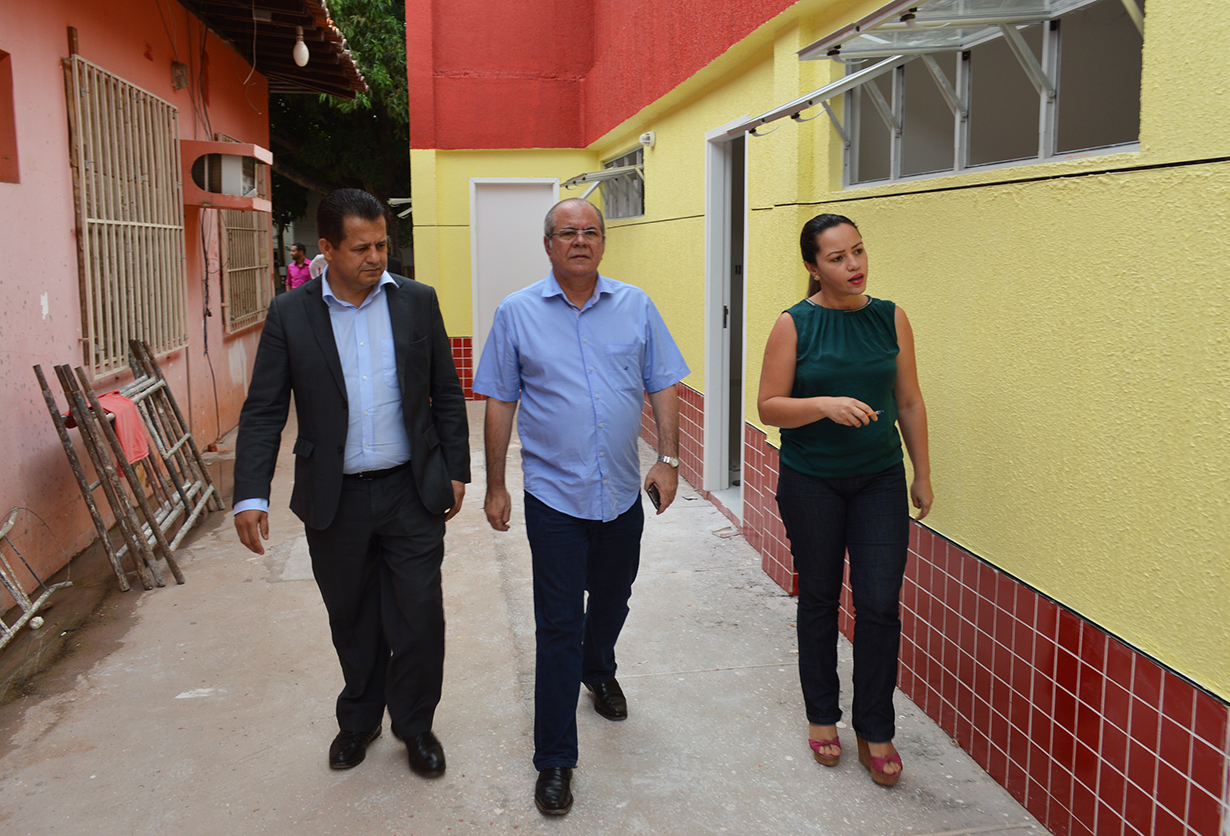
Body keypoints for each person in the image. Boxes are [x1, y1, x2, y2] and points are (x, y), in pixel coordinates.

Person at [232, 188, 470, 778]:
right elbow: (264, 409)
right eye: (361, 247)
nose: (376, 256)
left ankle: (415, 727)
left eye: (382, 243)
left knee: (418, 615)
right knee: (352, 617)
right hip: (334, 497)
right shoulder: (292, 313)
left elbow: (446, 391)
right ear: (328, 248)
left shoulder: (417, 302)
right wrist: (250, 492)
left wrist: (458, 470)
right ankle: (360, 719)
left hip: (410, 489)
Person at [473, 198, 689, 816]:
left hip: (622, 492)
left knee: (615, 596)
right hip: (554, 497)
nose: (580, 240)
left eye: (591, 231)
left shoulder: (635, 305)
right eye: (567, 232)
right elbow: (499, 401)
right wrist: (495, 484)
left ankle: (599, 670)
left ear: (603, 243)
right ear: (548, 245)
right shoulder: (517, 313)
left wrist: (668, 462)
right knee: (559, 623)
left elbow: (663, 382)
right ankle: (555, 761)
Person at [756, 213, 932, 788]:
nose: (853, 265)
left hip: (879, 477)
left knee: (880, 603)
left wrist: (922, 472)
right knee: (821, 599)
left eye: (857, 251)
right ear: (813, 266)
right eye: (837, 258)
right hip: (812, 481)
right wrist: (824, 404)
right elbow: (769, 406)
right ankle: (821, 715)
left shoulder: (891, 317)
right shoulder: (794, 324)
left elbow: (908, 400)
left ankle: (875, 727)